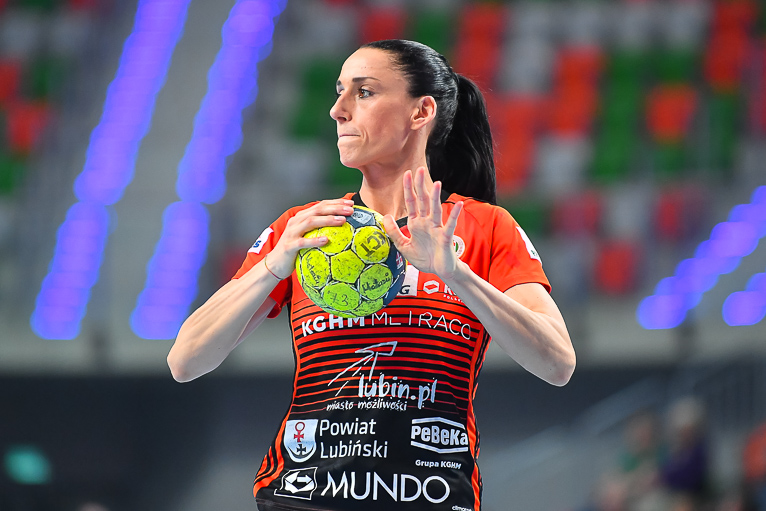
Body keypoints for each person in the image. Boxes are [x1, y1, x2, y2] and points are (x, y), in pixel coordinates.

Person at [167, 39, 576, 511]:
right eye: (339, 91)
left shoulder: (482, 227)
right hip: (304, 497)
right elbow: (185, 361)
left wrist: (457, 275)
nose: (337, 110)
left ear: (421, 112)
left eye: (363, 92)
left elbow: (557, 364)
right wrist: (273, 266)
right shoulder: (306, 228)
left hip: (430, 497)